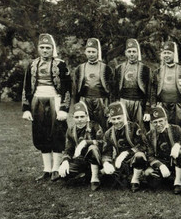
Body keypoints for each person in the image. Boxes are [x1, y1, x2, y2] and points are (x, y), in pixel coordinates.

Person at [21, 33, 72, 181]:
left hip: (55, 100)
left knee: (56, 133)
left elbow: (67, 88)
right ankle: (47, 169)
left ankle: (56, 168)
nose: (44, 50)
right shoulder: (32, 64)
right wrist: (26, 108)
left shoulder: (60, 65)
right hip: (37, 101)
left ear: (52, 49)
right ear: (38, 48)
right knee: (41, 134)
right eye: (42, 47)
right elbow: (26, 88)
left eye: (47, 48)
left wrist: (64, 108)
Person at [136, 106, 181, 194]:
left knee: (179, 151)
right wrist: (160, 165)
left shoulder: (176, 129)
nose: (158, 124)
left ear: (166, 120)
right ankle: (165, 176)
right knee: (149, 177)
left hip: (175, 161)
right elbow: (150, 155)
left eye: (160, 121)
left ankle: (178, 182)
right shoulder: (149, 135)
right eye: (155, 122)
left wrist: (178, 145)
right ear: (151, 123)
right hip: (161, 162)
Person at [101, 101, 148, 190]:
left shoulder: (134, 127)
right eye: (114, 119)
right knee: (104, 175)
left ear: (124, 116)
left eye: (119, 118)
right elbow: (106, 151)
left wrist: (127, 153)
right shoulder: (108, 133)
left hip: (134, 159)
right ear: (110, 119)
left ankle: (135, 179)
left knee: (139, 156)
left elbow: (142, 146)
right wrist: (106, 163)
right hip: (119, 161)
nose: (116, 121)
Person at [58, 102, 104, 191]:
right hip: (80, 159)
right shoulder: (71, 130)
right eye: (77, 117)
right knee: (63, 173)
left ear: (87, 116)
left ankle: (95, 178)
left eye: (82, 117)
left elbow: (102, 142)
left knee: (93, 148)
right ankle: (87, 173)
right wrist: (65, 161)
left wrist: (86, 142)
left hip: (97, 158)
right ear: (73, 118)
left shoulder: (95, 126)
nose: (79, 120)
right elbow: (68, 149)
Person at [73, 38, 114, 131]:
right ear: (85, 52)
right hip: (85, 100)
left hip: (101, 102)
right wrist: (76, 105)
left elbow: (112, 90)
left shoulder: (106, 68)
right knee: (85, 126)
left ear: (98, 52)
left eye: (93, 52)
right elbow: (75, 89)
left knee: (103, 126)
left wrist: (110, 107)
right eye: (89, 51)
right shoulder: (79, 68)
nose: (91, 54)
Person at [113, 38, 151, 131]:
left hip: (139, 103)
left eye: (134, 51)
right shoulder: (119, 68)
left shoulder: (145, 69)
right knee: (123, 128)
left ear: (138, 53)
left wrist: (147, 110)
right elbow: (114, 90)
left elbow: (150, 91)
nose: (132, 54)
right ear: (125, 53)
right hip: (123, 102)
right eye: (129, 51)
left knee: (140, 129)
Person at [151, 40, 181, 127]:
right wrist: (152, 108)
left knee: (178, 133)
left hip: (178, 108)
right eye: (164, 53)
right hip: (162, 106)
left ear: (174, 54)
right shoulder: (157, 72)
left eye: (169, 53)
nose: (166, 55)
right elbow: (153, 92)